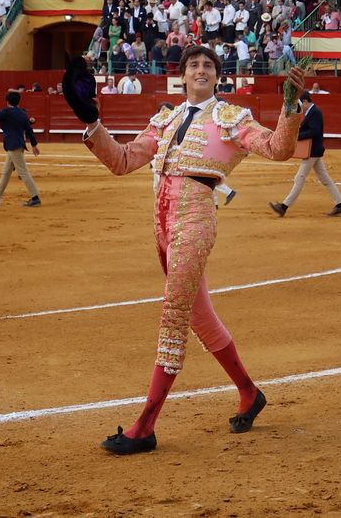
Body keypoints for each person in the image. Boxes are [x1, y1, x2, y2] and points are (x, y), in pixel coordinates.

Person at [61, 47, 307, 455]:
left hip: (194, 222)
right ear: (183, 75)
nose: (201, 70)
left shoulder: (231, 119)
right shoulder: (165, 119)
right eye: (193, 65)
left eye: (208, 66)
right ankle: (249, 392)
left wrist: (290, 104)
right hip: (161, 226)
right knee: (200, 317)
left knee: (173, 315)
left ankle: (145, 427)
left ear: (218, 77)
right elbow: (122, 161)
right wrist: (91, 121)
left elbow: (278, 148)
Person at [268, 93, 341, 217]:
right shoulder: (312, 112)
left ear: (305, 101)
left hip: (312, 152)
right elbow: (309, 129)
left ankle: (283, 207)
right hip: (314, 151)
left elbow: (314, 131)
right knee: (325, 179)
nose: (300, 108)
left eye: (300, 104)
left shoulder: (314, 112)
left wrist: (296, 137)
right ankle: (340, 205)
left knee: (299, 178)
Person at [0, 91, 41, 207]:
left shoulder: (7, 112)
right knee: (5, 172)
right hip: (16, 144)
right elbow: (29, 130)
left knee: (23, 172)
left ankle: (35, 197)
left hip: (13, 145)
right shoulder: (22, 113)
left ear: (7, 102)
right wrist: (34, 145)